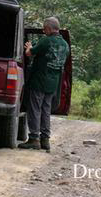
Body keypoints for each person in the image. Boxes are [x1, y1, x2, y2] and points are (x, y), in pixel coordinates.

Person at [18, 16, 69, 152]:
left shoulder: (46, 41)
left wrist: (29, 47)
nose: (43, 30)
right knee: (46, 110)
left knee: (34, 109)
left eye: (44, 28)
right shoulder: (65, 45)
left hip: (39, 81)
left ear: (48, 28)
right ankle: (45, 139)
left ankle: (34, 138)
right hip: (53, 84)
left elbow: (29, 54)